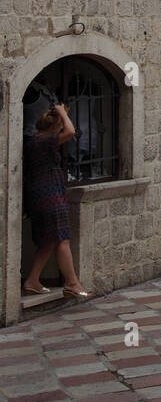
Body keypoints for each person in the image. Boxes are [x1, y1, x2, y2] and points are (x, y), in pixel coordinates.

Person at [21, 104, 92, 300]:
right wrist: (62, 113)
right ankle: (72, 283)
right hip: (49, 193)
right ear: (56, 127)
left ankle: (32, 281)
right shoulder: (45, 141)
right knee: (62, 239)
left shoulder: (33, 142)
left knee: (48, 241)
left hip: (40, 194)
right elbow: (71, 132)